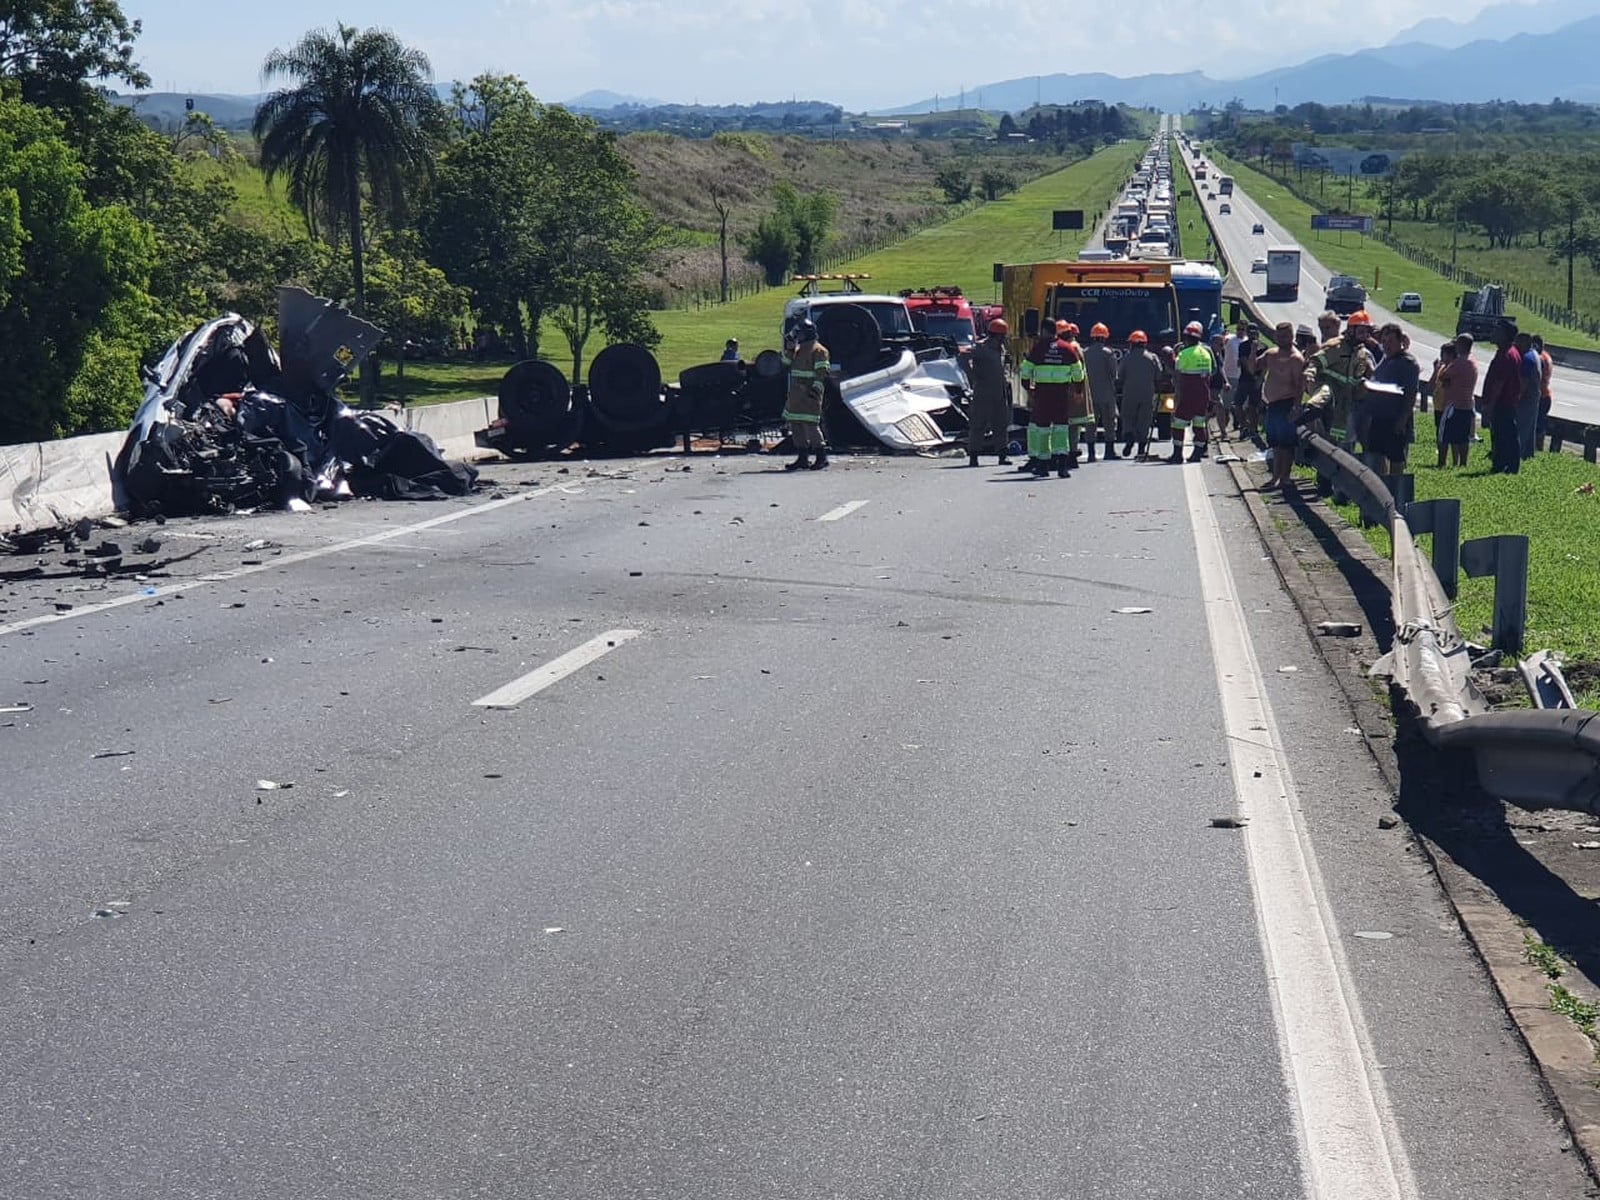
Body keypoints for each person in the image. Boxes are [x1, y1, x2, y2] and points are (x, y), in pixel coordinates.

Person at [1018, 319, 1087, 478]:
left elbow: (1025, 371)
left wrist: (1030, 389)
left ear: (1043, 331)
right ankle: (1062, 466)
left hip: (1042, 395)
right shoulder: (1067, 348)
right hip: (1062, 395)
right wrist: (1078, 391)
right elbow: (1078, 373)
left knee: (1043, 429)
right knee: (1061, 429)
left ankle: (1043, 465)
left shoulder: (1039, 348)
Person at [1365, 323, 1419, 475]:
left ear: (1400, 341)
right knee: (1377, 453)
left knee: (1395, 456)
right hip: (1379, 416)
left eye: (1390, 341)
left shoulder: (1408, 362)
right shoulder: (1386, 359)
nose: (1386, 345)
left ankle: (1396, 486)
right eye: (1384, 341)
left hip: (1395, 417)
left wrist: (1403, 419)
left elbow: (1411, 393)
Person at [1259, 322, 1307, 490]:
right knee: (1275, 443)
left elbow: (1299, 386)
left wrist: (1296, 407)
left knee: (1286, 444)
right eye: (1279, 336)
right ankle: (1275, 476)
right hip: (1271, 404)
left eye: (1285, 336)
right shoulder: (1271, 354)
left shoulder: (1296, 359)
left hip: (1287, 403)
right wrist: (1252, 351)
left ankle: (1285, 477)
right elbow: (1254, 367)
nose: (1281, 339)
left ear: (1292, 336)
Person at [961, 318, 1012, 467]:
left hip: (1000, 392)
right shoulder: (981, 348)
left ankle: (1002, 455)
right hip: (983, 391)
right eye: (1002, 335)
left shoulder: (1002, 349)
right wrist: (973, 377)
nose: (1003, 339)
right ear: (996, 335)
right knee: (978, 425)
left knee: (1001, 425)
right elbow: (963, 357)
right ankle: (974, 456)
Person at [781, 319, 830, 471]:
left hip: (809, 394)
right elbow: (785, 363)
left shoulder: (819, 350)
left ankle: (821, 457)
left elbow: (821, 373)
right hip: (796, 395)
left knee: (811, 426)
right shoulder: (798, 349)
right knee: (796, 425)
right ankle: (802, 458)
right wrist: (789, 349)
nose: (797, 336)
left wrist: (814, 391)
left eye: (799, 333)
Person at [1170, 321, 1214, 464]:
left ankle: (1177, 454)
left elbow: (1177, 368)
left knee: (1178, 423)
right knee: (1199, 424)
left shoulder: (1185, 353)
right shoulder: (1206, 353)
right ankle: (1197, 453)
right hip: (1203, 395)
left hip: (1189, 394)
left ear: (1186, 338)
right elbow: (1212, 371)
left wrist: (1170, 357)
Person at [1483, 319, 1523, 475]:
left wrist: (1489, 406)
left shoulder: (1506, 355)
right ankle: (1502, 465)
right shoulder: (1506, 352)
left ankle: (1506, 466)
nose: (1493, 333)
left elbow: (1499, 383)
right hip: (1505, 403)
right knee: (1502, 434)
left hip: (1503, 403)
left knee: (1505, 435)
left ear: (1505, 335)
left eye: (1497, 331)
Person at [1117, 330, 1161, 460]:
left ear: (1132, 344)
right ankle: (1141, 447)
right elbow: (1159, 375)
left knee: (1127, 416)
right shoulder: (1152, 358)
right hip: (1147, 392)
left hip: (1130, 392)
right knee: (1144, 420)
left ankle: (1129, 435)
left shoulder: (1126, 358)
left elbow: (1120, 376)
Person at [1435, 336, 1477, 468]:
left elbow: (1442, 376)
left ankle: (1441, 463)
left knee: (1443, 434)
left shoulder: (1459, 362)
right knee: (1463, 437)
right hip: (1467, 404)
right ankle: (1462, 463)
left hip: (1453, 404)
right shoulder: (1473, 361)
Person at [1081, 322, 1120, 460]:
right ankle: (1109, 452)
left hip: (1089, 394)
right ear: (1104, 337)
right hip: (1106, 393)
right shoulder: (1108, 353)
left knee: (1091, 424)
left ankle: (1091, 454)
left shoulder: (1084, 353)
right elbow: (1114, 374)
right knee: (1109, 422)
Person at [1534, 333, 1554, 452]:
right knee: (1540, 425)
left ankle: (1537, 449)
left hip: (1539, 395)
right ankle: (1539, 449)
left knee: (1536, 425)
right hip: (1546, 393)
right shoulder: (1547, 356)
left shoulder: (1539, 359)